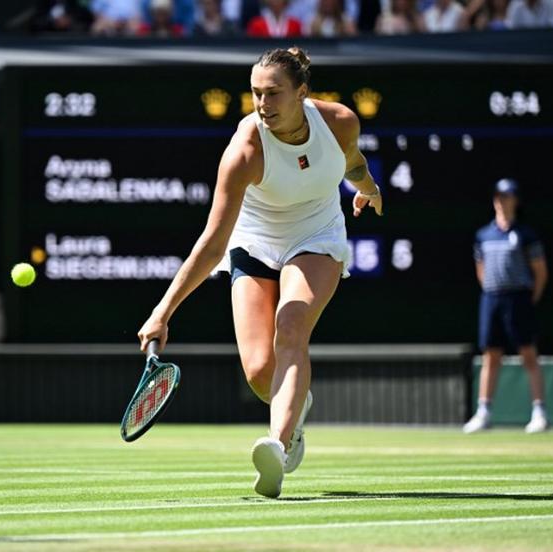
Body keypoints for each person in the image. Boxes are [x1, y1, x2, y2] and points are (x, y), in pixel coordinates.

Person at [137, 47, 383, 498]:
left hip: (317, 235)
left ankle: (278, 445)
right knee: (257, 371)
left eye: (273, 93)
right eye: (255, 93)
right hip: (253, 241)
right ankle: (296, 409)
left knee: (291, 327)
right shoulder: (245, 151)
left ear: (303, 93)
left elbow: (350, 161)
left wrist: (367, 188)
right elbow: (212, 244)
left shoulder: (340, 121)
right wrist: (163, 311)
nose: (262, 104)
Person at [464, 179, 549, 434]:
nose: (502, 201)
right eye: (499, 196)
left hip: (519, 298)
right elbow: (481, 270)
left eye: (507, 196)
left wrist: (529, 298)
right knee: (491, 355)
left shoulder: (526, 235)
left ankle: (539, 411)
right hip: (491, 298)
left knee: (528, 354)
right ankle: (484, 412)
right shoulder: (483, 235)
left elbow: (541, 273)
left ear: (515, 200)